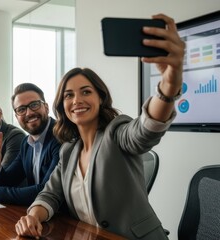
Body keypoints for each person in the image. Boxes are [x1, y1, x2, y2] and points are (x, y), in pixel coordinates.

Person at [15, 14, 184, 240]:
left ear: (100, 98)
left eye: (86, 91)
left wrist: (170, 83)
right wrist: (34, 216)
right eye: (69, 95)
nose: (76, 100)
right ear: (61, 105)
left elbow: (146, 129)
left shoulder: (116, 132)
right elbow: (50, 194)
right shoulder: (69, 150)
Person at [0, 83, 61, 206]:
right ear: (16, 116)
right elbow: (10, 179)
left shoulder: (60, 137)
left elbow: (46, 190)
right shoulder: (26, 143)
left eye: (34, 105)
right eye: (21, 109)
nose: (29, 113)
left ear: (46, 107)